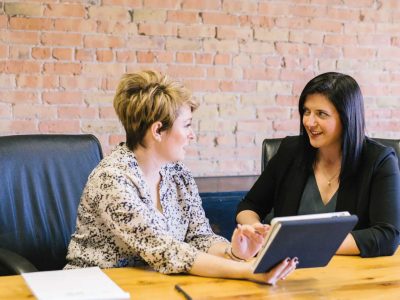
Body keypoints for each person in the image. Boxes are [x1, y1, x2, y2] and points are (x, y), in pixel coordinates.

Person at [65, 70, 297, 285]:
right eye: (186, 125)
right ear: (157, 131)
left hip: (155, 286)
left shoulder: (178, 174)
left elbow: (199, 237)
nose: (192, 135)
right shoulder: (112, 180)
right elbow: (166, 251)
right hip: (94, 287)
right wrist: (248, 271)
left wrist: (234, 253)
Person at [236, 72, 400, 258]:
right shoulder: (290, 151)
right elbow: (249, 205)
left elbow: (387, 235)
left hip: (352, 274)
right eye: (306, 111)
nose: (309, 122)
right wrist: (254, 229)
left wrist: (304, 243)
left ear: (347, 118)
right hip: (287, 271)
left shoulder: (379, 160)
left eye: (321, 114)